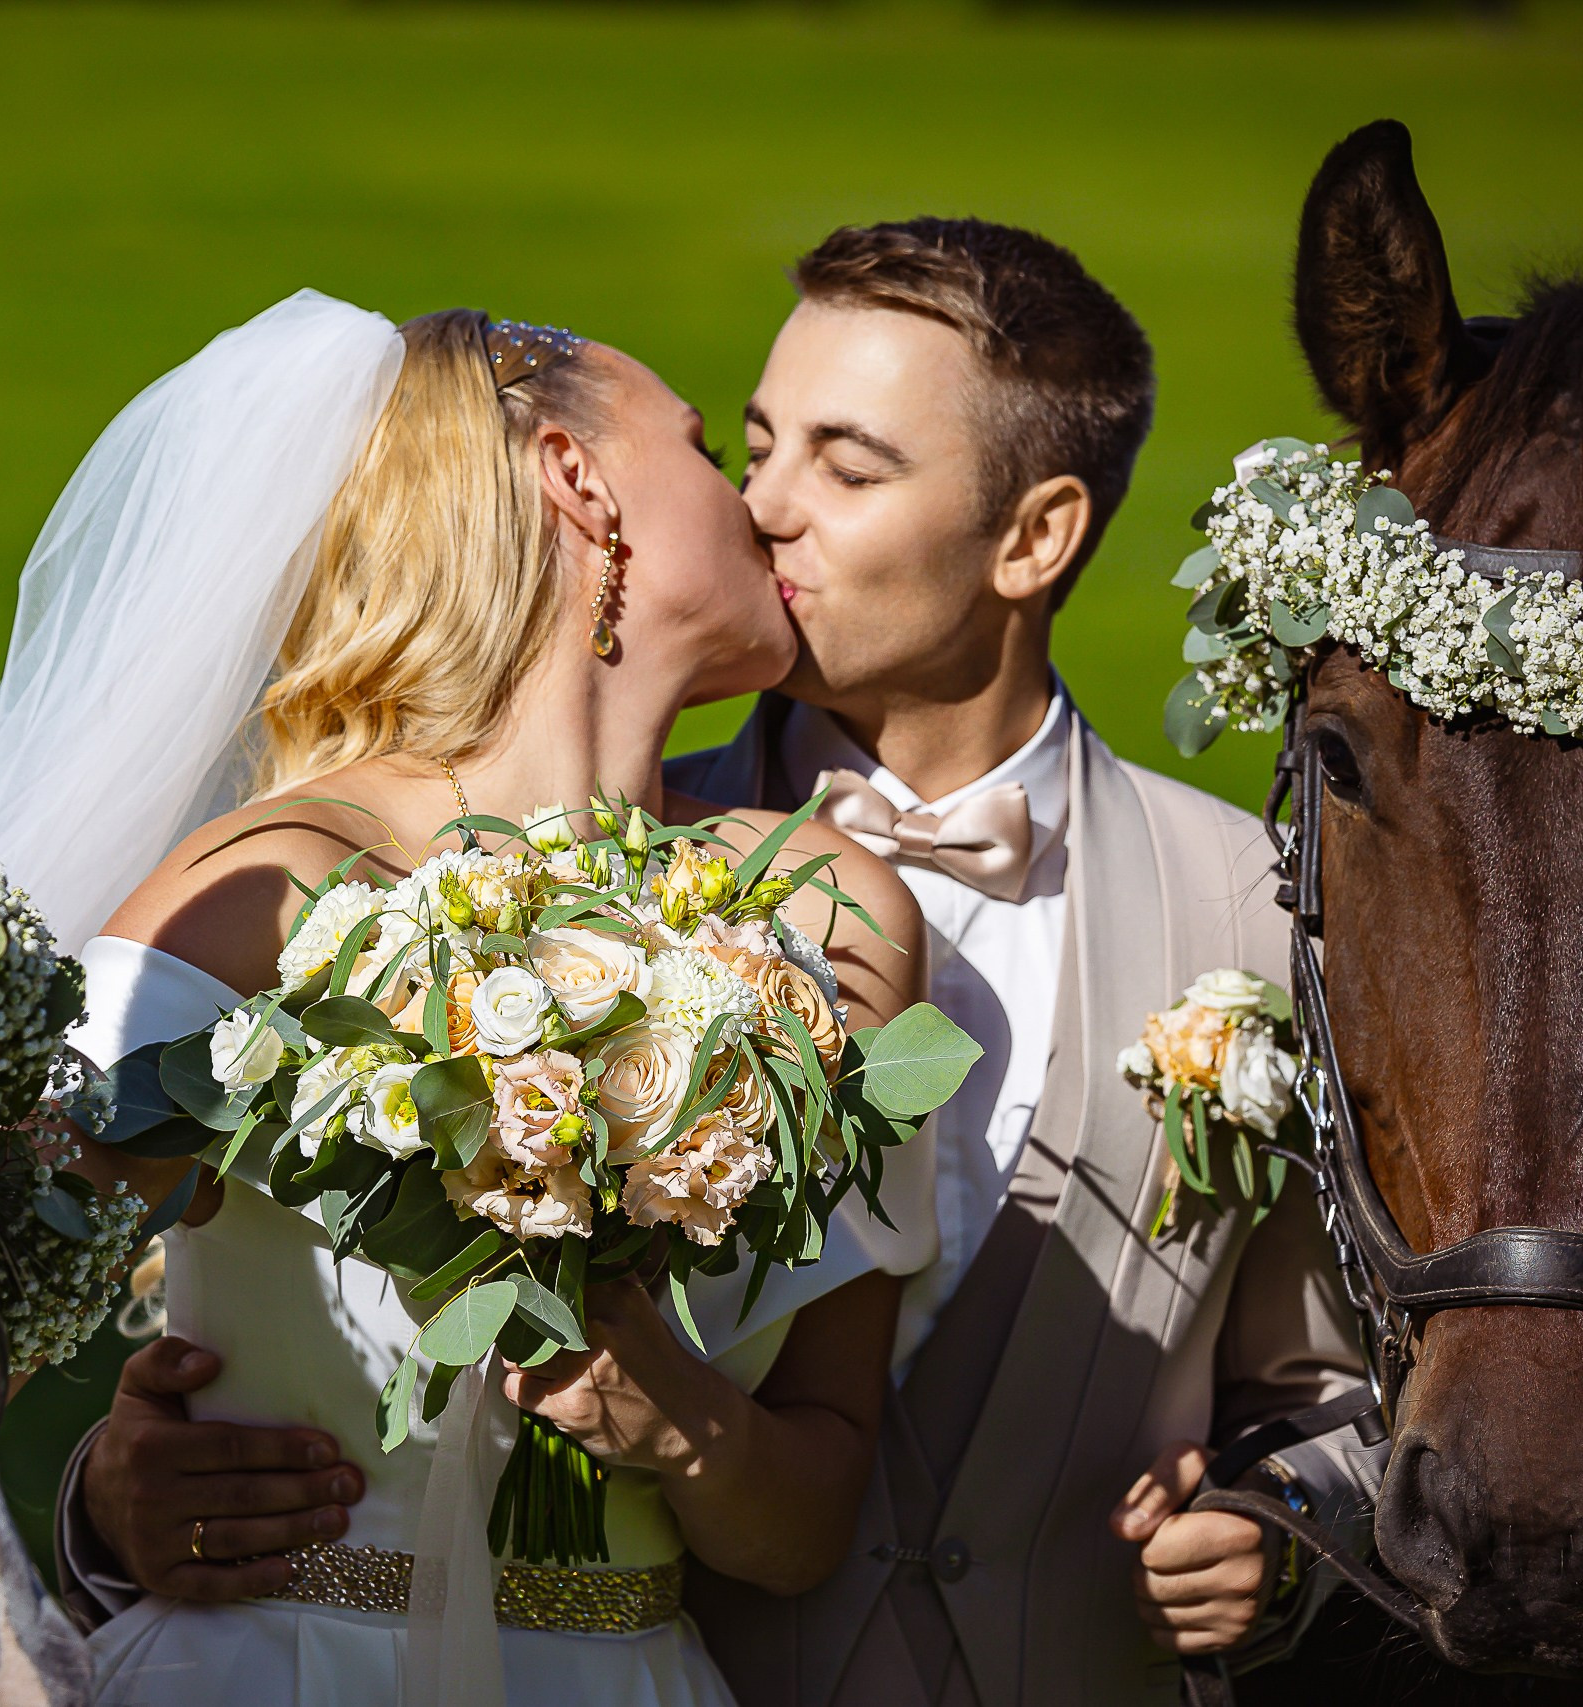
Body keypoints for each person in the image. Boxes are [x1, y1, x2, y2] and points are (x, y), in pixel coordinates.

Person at [0, 292, 936, 1707]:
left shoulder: (833, 917)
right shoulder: (265, 889)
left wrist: (682, 1425)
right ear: (575, 482)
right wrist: (105, 1498)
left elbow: (808, 1525)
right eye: (713, 448)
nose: (766, 508)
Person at [665, 217, 1375, 1705]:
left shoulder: (1260, 908)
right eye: (758, 445)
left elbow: (1330, 1387)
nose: (760, 509)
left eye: (846, 469)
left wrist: (1281, 1522)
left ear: (1035, 537)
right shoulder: (612, 876)